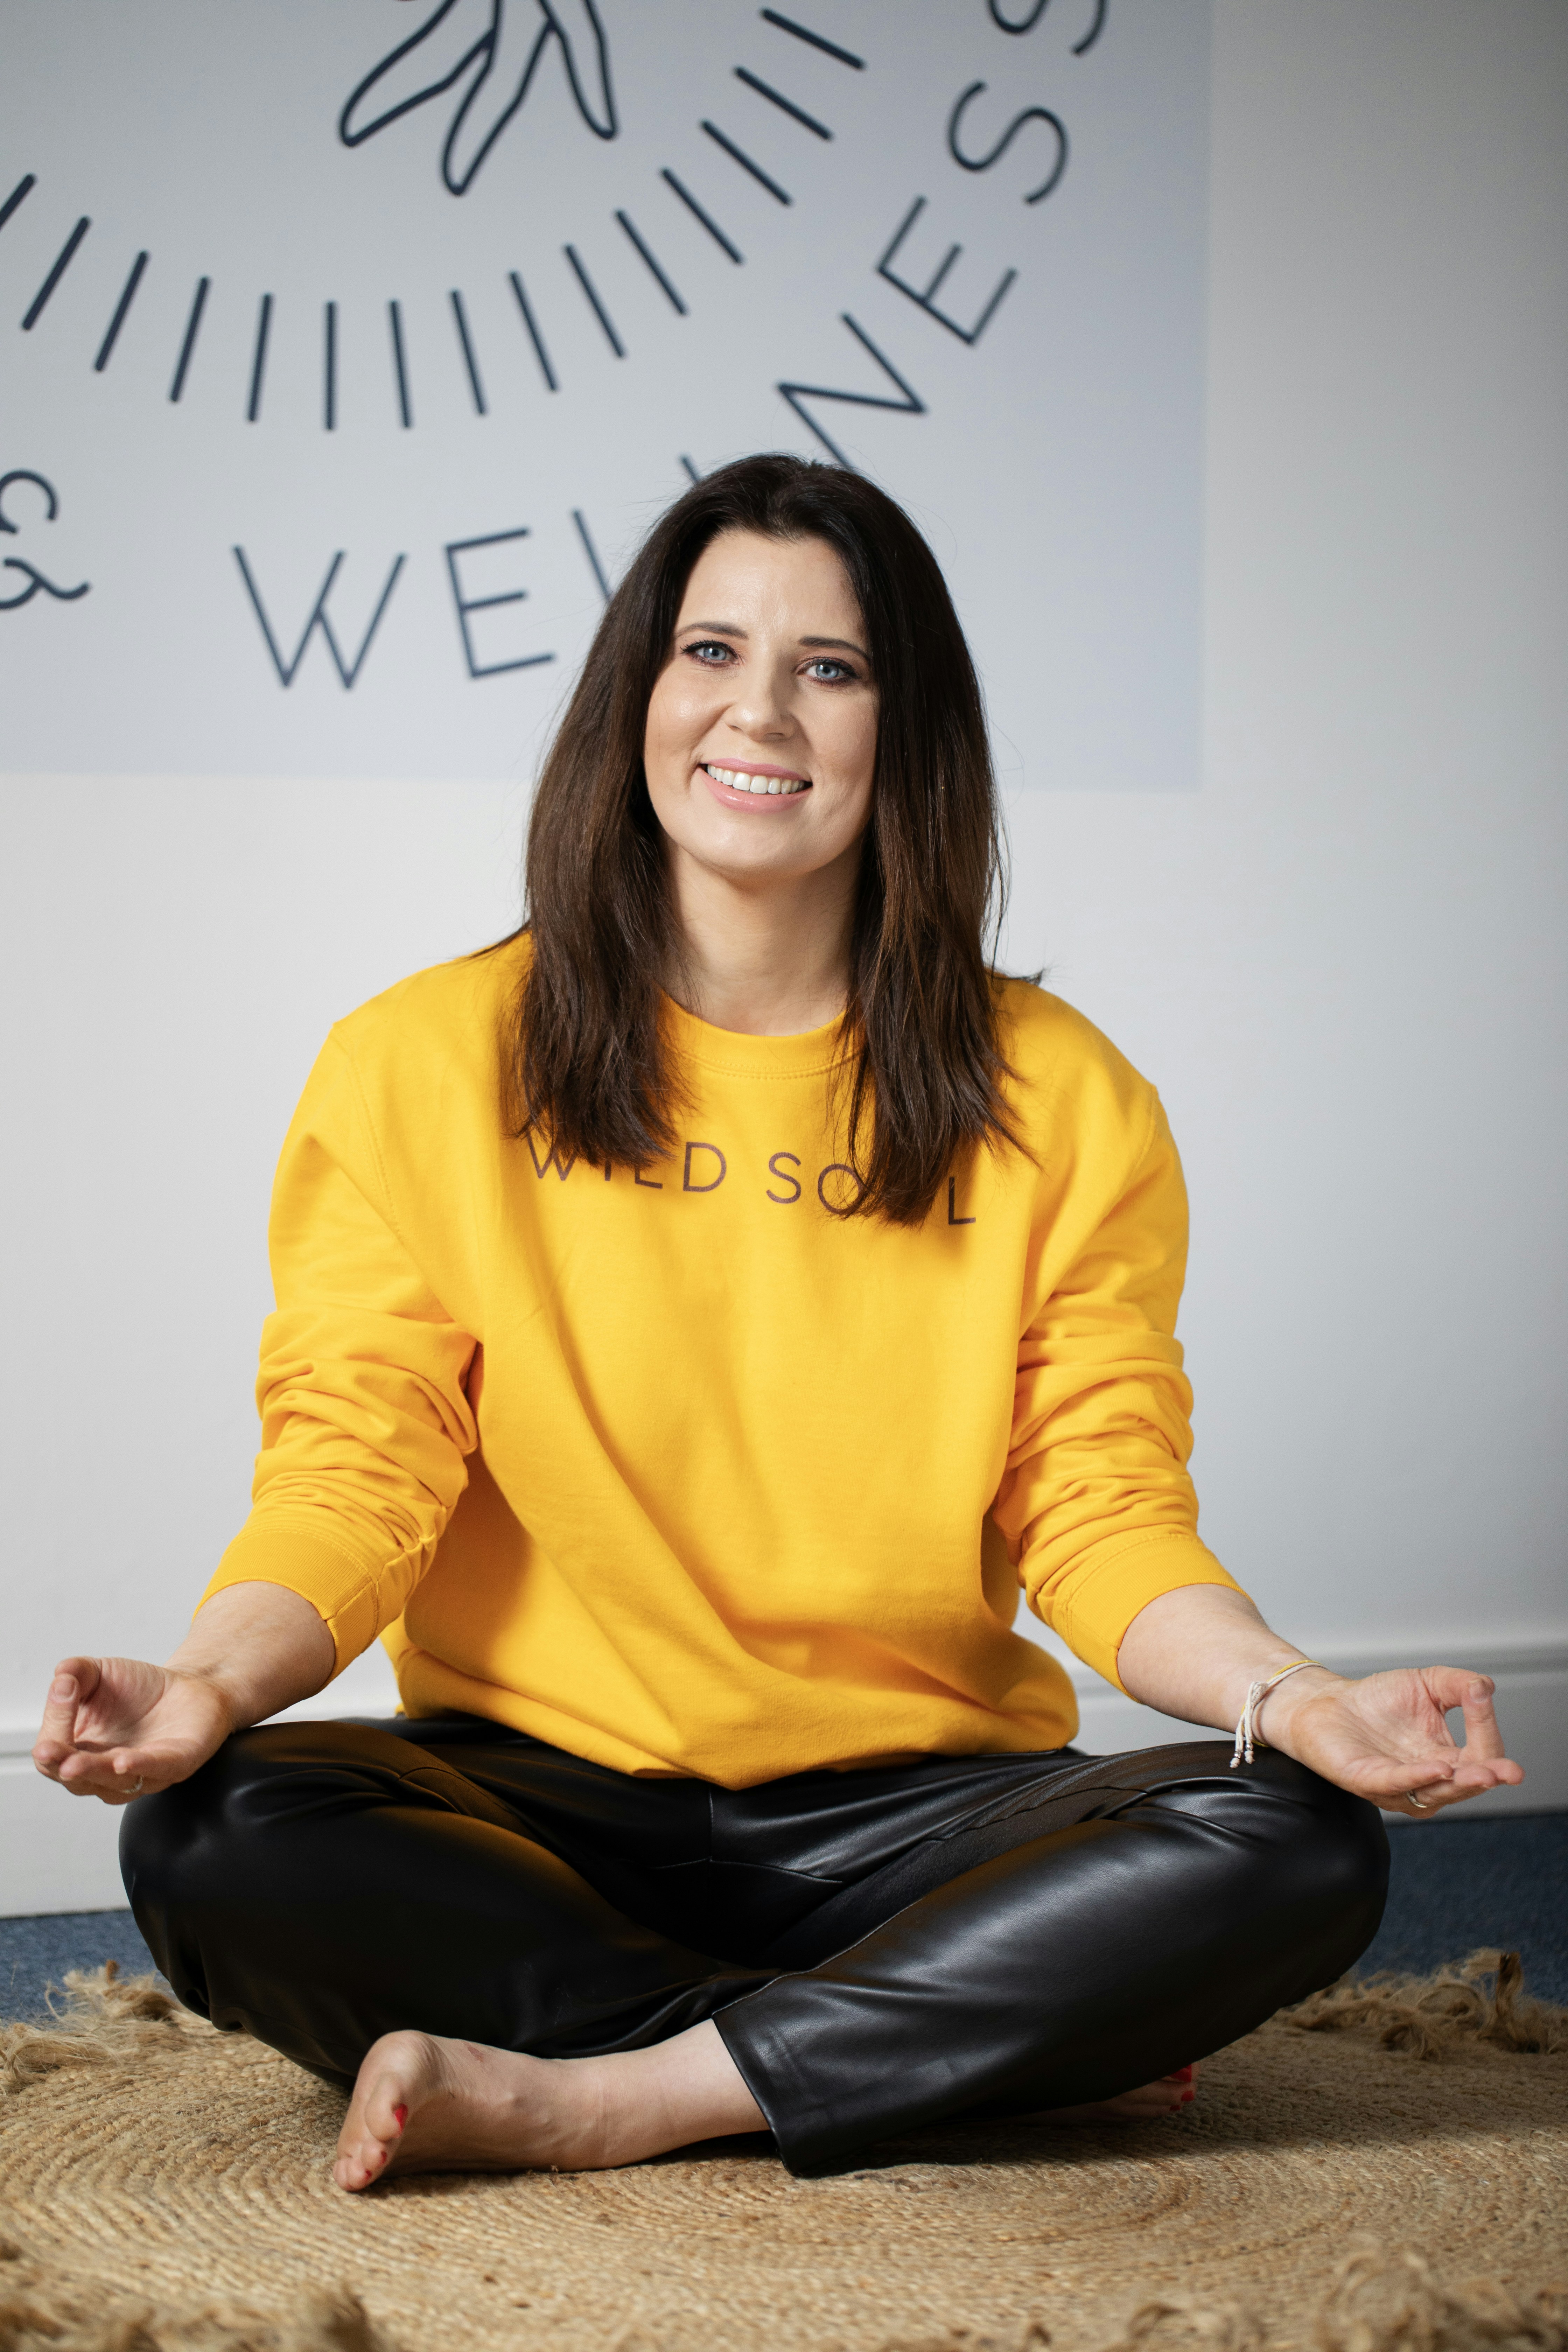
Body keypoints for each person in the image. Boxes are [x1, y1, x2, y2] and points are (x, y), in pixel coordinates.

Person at [34, 456, 1521, 2192]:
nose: (760, 711)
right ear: (637, 701)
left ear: (909, 729)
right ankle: (933, 2043)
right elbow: (361, 1468)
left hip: (913, 1813)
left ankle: (623, 2092)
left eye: (831, 667)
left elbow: (1101, 1508)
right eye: (709, 651)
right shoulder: (420, 1060)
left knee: (1296, 1837)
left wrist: (1296, 1697)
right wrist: (205, 1686)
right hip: (538, 1804)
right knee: (213, 1834)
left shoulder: (1066, 1097)